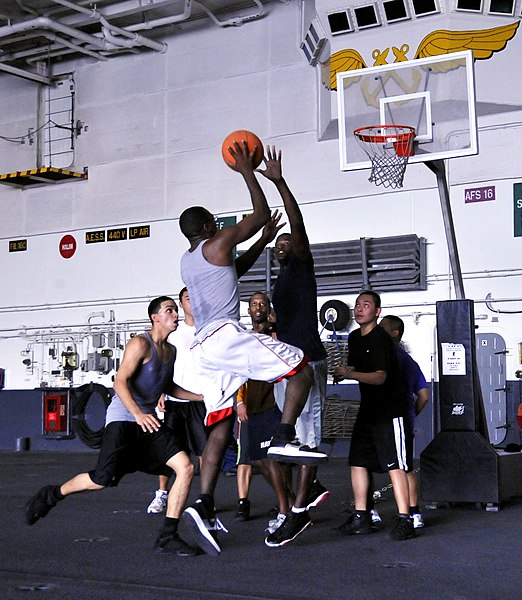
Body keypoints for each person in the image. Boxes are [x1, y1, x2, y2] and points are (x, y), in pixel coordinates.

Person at [178, 140, 327, 556]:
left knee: (221, 425)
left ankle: (205, 503)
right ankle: (284, 436)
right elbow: (260, 213)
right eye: (215, 221)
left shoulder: (190, 260)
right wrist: (247, 171)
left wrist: (262, 242)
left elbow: (234, 269)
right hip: (225, 336)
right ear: (208, 227)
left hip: (203, 348)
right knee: (299, 368)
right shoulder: (219, 240)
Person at [25, 296, 204, 556]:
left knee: (185, 467)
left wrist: (200, 396)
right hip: (123, 420)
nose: (175, 314)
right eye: (169, 310)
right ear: (155, 317)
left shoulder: (171, 351)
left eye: (175, 310)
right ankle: (51, 494)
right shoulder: (140, 343)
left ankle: (168, 536)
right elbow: (119, 382)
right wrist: (138, 413)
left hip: (148, 423)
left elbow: (166, 386)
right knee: (101, 479)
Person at [258, 147, 330, 547]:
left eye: (287, 242)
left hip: (308, 361)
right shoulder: (282, 280)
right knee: (284, 443)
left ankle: (298, 512)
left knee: (307, 439)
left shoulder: (303, 264)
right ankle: (293, 506)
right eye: (278, 244)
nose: (282, 246)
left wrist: (279, 182)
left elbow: (298, 225)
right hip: (286, 364)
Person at [333, 290, 415, 541]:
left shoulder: (381, 339)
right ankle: (362, 516)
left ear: (377, 312)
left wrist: (350, 374)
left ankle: (405, 519)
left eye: (366, 305)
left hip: (391, 410)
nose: (359, 309)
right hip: (368, 410)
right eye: (357, 304)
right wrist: (343, 371)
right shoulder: (354, 338)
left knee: (396, 465)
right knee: (357, 461)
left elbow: (380, 377)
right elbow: (358, 368)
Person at [234, 292, 295, 525]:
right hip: (253, 404)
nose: (257, 307)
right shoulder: (245, 337)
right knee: (258, 459)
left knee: (275, 458)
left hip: (274, 404)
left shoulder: (276, 334)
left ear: (268, 309)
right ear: (249, 310)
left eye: (262, 304)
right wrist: (239, 401)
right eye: (253, 304)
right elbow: (239, 371)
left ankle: (284, 510)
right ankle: (290, 503)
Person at [146, 287, 208, 514]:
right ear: (182, 305)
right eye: (187, 298)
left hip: (199, 401)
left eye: (195, 297)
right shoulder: (173, 331)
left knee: (204, 452)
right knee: (169, 451)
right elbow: (163, 364)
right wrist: (161, 392)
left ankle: (204, 499)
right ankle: (161, 494)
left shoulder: (206, 330)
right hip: (174, 401)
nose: (192, 302)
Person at [379, 315, 429, 529]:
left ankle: (413, 514)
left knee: (403, 467)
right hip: (397, 419)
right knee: (401, 465)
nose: (378, 331)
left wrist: (406, 417)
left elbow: (424, 396)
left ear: (395, 333)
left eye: (383, 328)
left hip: (395, 418)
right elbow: (424, 396)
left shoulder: (395, 358)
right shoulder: (408, 360)